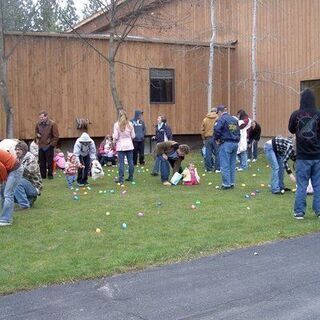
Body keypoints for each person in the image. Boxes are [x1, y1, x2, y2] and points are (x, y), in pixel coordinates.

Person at [288, 88, 320, 219]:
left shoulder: (296, 115)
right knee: (318, 185)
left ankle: (299, 212)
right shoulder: (318, 114)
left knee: (302, 185)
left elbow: (291, 129)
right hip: (318, 155)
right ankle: (319, 211)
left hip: (302, 156)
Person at [214, 105, 240, 189]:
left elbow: (217, 129)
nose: (218, 115)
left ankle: (226, 184)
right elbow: (238, 132)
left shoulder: (221, 119)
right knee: (232, 164)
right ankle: (232, 182)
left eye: (218, 113)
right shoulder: (234, 119)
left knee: (224, 164)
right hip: (235, 143)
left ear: (220, 112)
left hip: (226, 143)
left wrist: (217, 139)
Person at [14, 141, 42, 209]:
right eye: (16, 149)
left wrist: (17, 167)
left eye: (19, 149)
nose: (17, 151)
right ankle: (28, 200)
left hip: (34, 186)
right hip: (24, 184)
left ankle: (24, 205)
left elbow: (31, 171)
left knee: (17, 181)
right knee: (6, 184)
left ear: (24, 150)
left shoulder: (30, 157)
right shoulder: (18, 158)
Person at [0, 148, 24, 226]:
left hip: (15, 170)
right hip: (10, 170)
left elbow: (2, 168)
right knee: (3, 194)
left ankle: (6, 219)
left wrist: (4, 179)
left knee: (8, 194)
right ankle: (4, 216)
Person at [113, 110, 135, 184]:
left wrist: (113, 138)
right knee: (130, 162)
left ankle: (121, 179)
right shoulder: (130, 124)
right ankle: (131, 177)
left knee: (121, 163)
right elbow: (133, 136)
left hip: (120, 145)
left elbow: (115, 136)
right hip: (129, 145)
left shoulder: (116, 124)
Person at [35, 111, 59, 179]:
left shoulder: (52, 124)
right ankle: (43, 176)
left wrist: (52, 145)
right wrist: (37, 135)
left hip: (49, 145)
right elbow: (36, 132)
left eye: (42, 117)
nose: (41, 119)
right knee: (41, 162)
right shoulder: (38, 124)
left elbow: (56, 136)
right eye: (40, 117)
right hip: (41, 145)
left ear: (46, 116)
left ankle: (50, 175)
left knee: (50, 162)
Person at [200, 107, 219, 172]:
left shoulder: (205, 119)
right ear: (216, 111)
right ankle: (217, 168)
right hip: (216, 138)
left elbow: (202, 130)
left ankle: (209, 169)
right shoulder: (218, 118)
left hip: (208, 138)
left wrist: (203, 139)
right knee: (217, 153)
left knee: (208, 153)